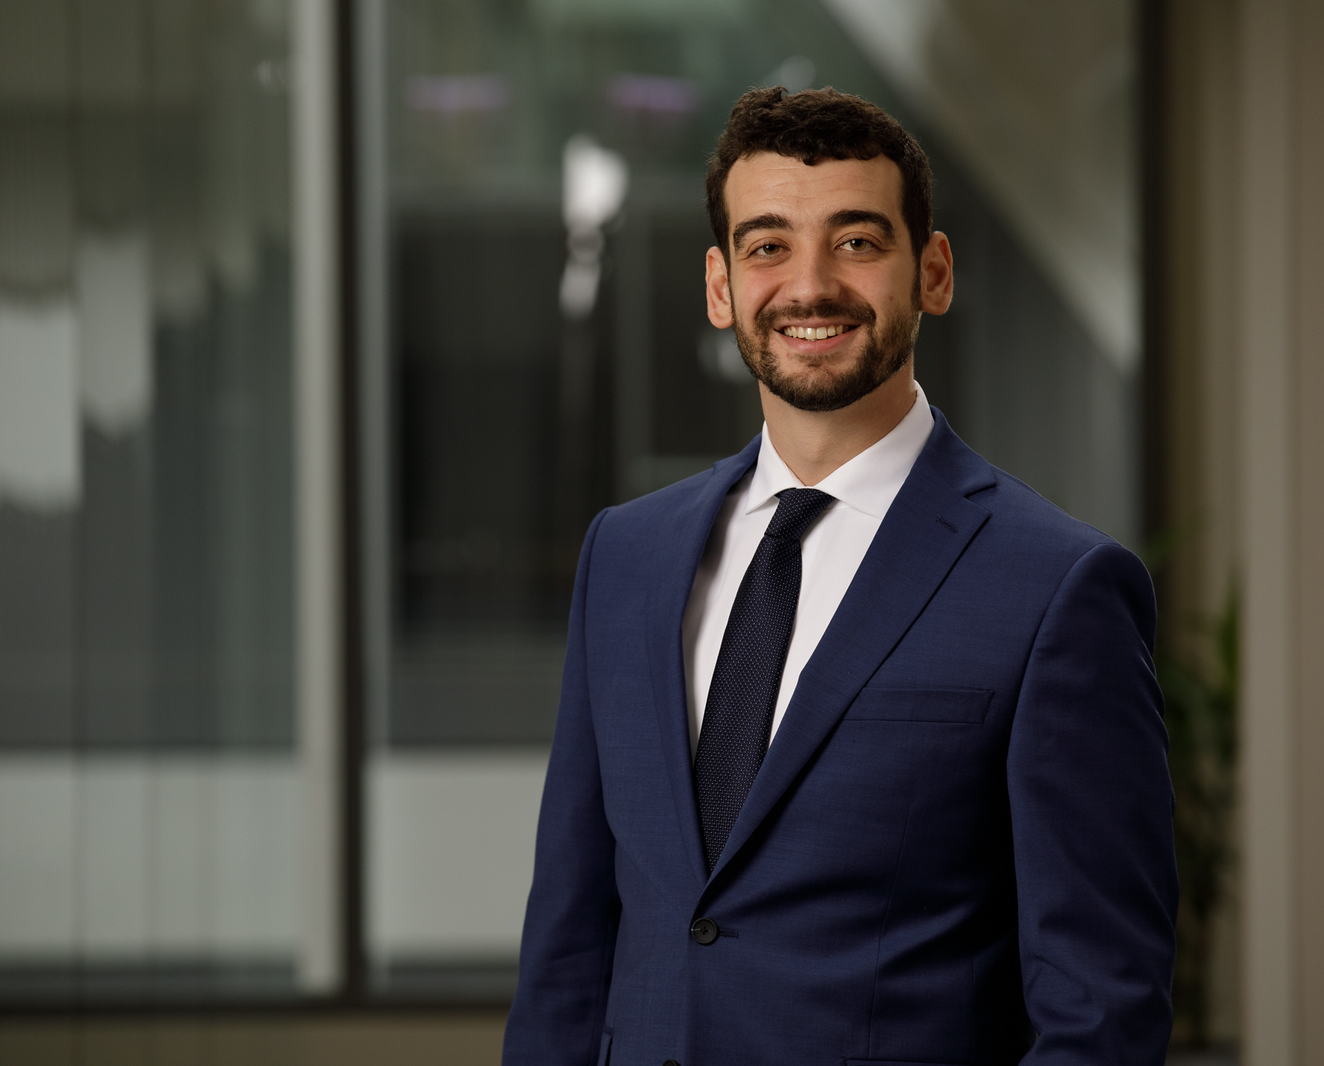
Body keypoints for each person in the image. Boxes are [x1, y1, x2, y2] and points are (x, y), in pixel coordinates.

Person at [503, 87, 1176, 1066]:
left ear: (932, 273)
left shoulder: (1058, 588)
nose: (809, 285)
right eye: (767, 245)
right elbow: (567, 945)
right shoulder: (626, 557)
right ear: (721, 285)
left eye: (857, 242)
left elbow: (1102, 1010)